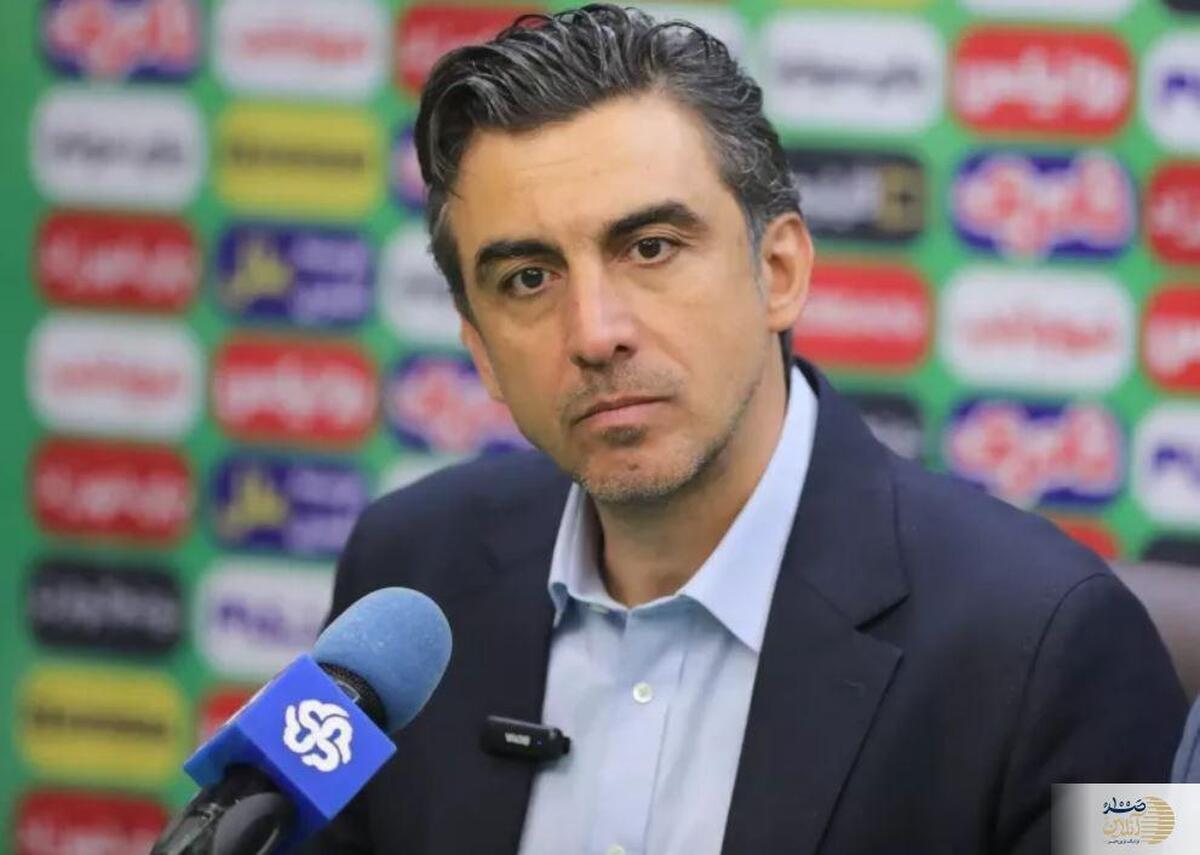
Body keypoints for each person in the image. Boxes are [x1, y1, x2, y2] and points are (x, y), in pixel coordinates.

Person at [309, 6, 1187, 853]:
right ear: (482, 352)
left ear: (780, 270)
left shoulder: (1061, 639)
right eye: (529, 279)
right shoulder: (404, 577)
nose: (594, 333)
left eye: (650, 247)